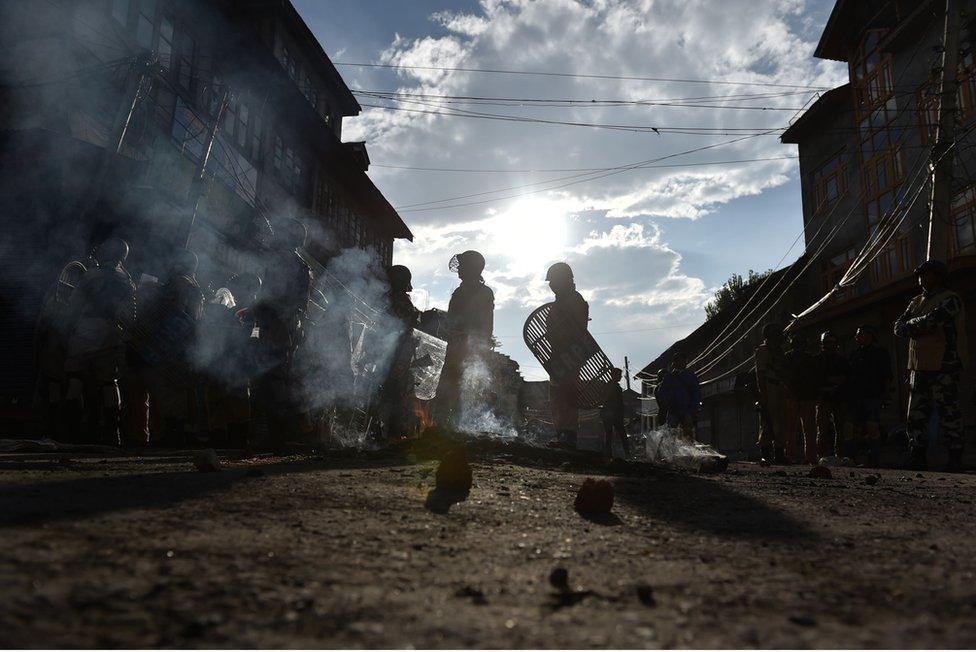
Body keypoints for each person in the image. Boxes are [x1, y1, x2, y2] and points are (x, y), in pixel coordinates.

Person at [894, 260, 968, 471]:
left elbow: (931, 321)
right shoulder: (915, 302)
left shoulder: (950, 299)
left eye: (926, 274)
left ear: (938, 276)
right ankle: (917, 456)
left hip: (944, 364)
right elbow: (898, 328)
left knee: (949, 413)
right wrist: (915, 325)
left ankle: (955, 458)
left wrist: (913, 325)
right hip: (919, 367)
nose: (921, 278)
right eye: (920, 275)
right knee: (915, 416)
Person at [62, 238, 136, 445]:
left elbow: (74, 306)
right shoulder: (126, 279)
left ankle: (72, 432)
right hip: (113, 332)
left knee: (76, 377)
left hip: (87, 329)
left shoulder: (91, 275)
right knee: (109, 381)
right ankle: (113, 434)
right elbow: (130, 314)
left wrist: (68, 326)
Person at [252, 218, 312, 449]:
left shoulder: (284, 263)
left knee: (272, 381)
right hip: (284, 328)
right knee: (277, 380)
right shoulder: (298, 265)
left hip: (277, 328)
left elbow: (272, 299)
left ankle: (276, 435)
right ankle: (278, 434)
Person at [150, 249, 205, 446]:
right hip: (187, 342)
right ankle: (183, 431)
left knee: (172, 388)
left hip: (173, 342)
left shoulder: (179, 284)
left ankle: (173, 432)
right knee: (183, 387)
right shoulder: (194, 285)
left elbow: (178, 314)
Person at [434, 251, 495, 428]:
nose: (459, 269)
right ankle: (442, 427)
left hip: (470, 348)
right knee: (447, 386)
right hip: (456, 346)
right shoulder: (460, 292)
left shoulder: (483, 293)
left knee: (464, 389)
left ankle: (458, 428)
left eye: (462, 266)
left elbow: (484, 324)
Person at [33, 260, 86, 439]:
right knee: (68, 386)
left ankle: (59, 430)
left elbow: (43, 324)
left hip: (60, 344)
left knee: (61, 386)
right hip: (65, 344)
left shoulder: (57, 295)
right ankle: (66, 430)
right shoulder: (81, 296)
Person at [544, 262, 589, 449]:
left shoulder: (574, 300)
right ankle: (562, 433)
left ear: (564, 280)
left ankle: (568, 436)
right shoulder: (561, 301)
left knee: (568, 394)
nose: (551, 285)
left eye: (554, 281)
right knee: (557, 395)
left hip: (570, 355)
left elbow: (576, 330)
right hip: (559, 355)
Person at [379, 264, 420, 440]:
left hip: (396, 354)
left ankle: (392, 434)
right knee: (392, 393)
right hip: (394, 354)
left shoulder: (398, 301)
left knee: (393, 393)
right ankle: (390, 433)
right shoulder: (398, 300)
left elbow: (398, 330)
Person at [845, 325, 891, 466]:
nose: (857, 336)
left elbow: (887, 376)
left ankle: (874, 459)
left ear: (869, 335)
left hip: (873, 395)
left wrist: (885, 394)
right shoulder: (854, 354)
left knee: (872, 427)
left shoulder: (880, 353)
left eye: (860, 334)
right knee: (852, 428)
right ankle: (852, 458)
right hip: (855, 397)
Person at [755, 322, 792, 464]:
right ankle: (765, 452)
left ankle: (779, 452)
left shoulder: (779, 352)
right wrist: (763, 393)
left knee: (782, 421)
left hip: (780, 387)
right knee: (767, 422)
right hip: (769, 387)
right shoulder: (763, 351)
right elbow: (760, 373)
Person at [783, 331, 820, 465]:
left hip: (804, 397)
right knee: (800, 429)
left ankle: (796, 456)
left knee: (800, 429)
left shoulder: (791, 358)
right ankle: (805, 457)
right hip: (797, 397)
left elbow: (815, 379)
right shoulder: (793, 358)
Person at [815, 330, 849, 459]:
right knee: (822, 429)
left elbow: (847, 377)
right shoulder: (817, 359)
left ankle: (839, 455)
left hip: (839, 398)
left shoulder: (841, 360)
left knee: (840, 429)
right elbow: (815, 378)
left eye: (832, 342)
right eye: (827, 342)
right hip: (823, 398)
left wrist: (836, 384)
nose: (830, 345)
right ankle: (821, 455)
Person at [655, 351, 701, 441]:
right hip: (673, 410)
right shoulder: (669, 377)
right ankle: (672, 452)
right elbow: (662, 393)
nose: (684, 363)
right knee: (671, 434)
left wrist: (694, 407)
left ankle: (689, 452)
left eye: (684, 361)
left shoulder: (690, 375)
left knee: (687, 433)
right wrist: (667, 404)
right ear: (674, 363)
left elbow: (696, 392)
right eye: (680, 361)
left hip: (687, 409)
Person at [600, 368, 631, 463]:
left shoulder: (608, 385)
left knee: (609, 435)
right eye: (619, 375)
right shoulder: (614, 387)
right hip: (614, 414)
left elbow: (604, 398)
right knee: (621, 435)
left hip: (608, 413)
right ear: (614, 375)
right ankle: (627, 455)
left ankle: (608, 455)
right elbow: (616, 401)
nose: (621, 377)